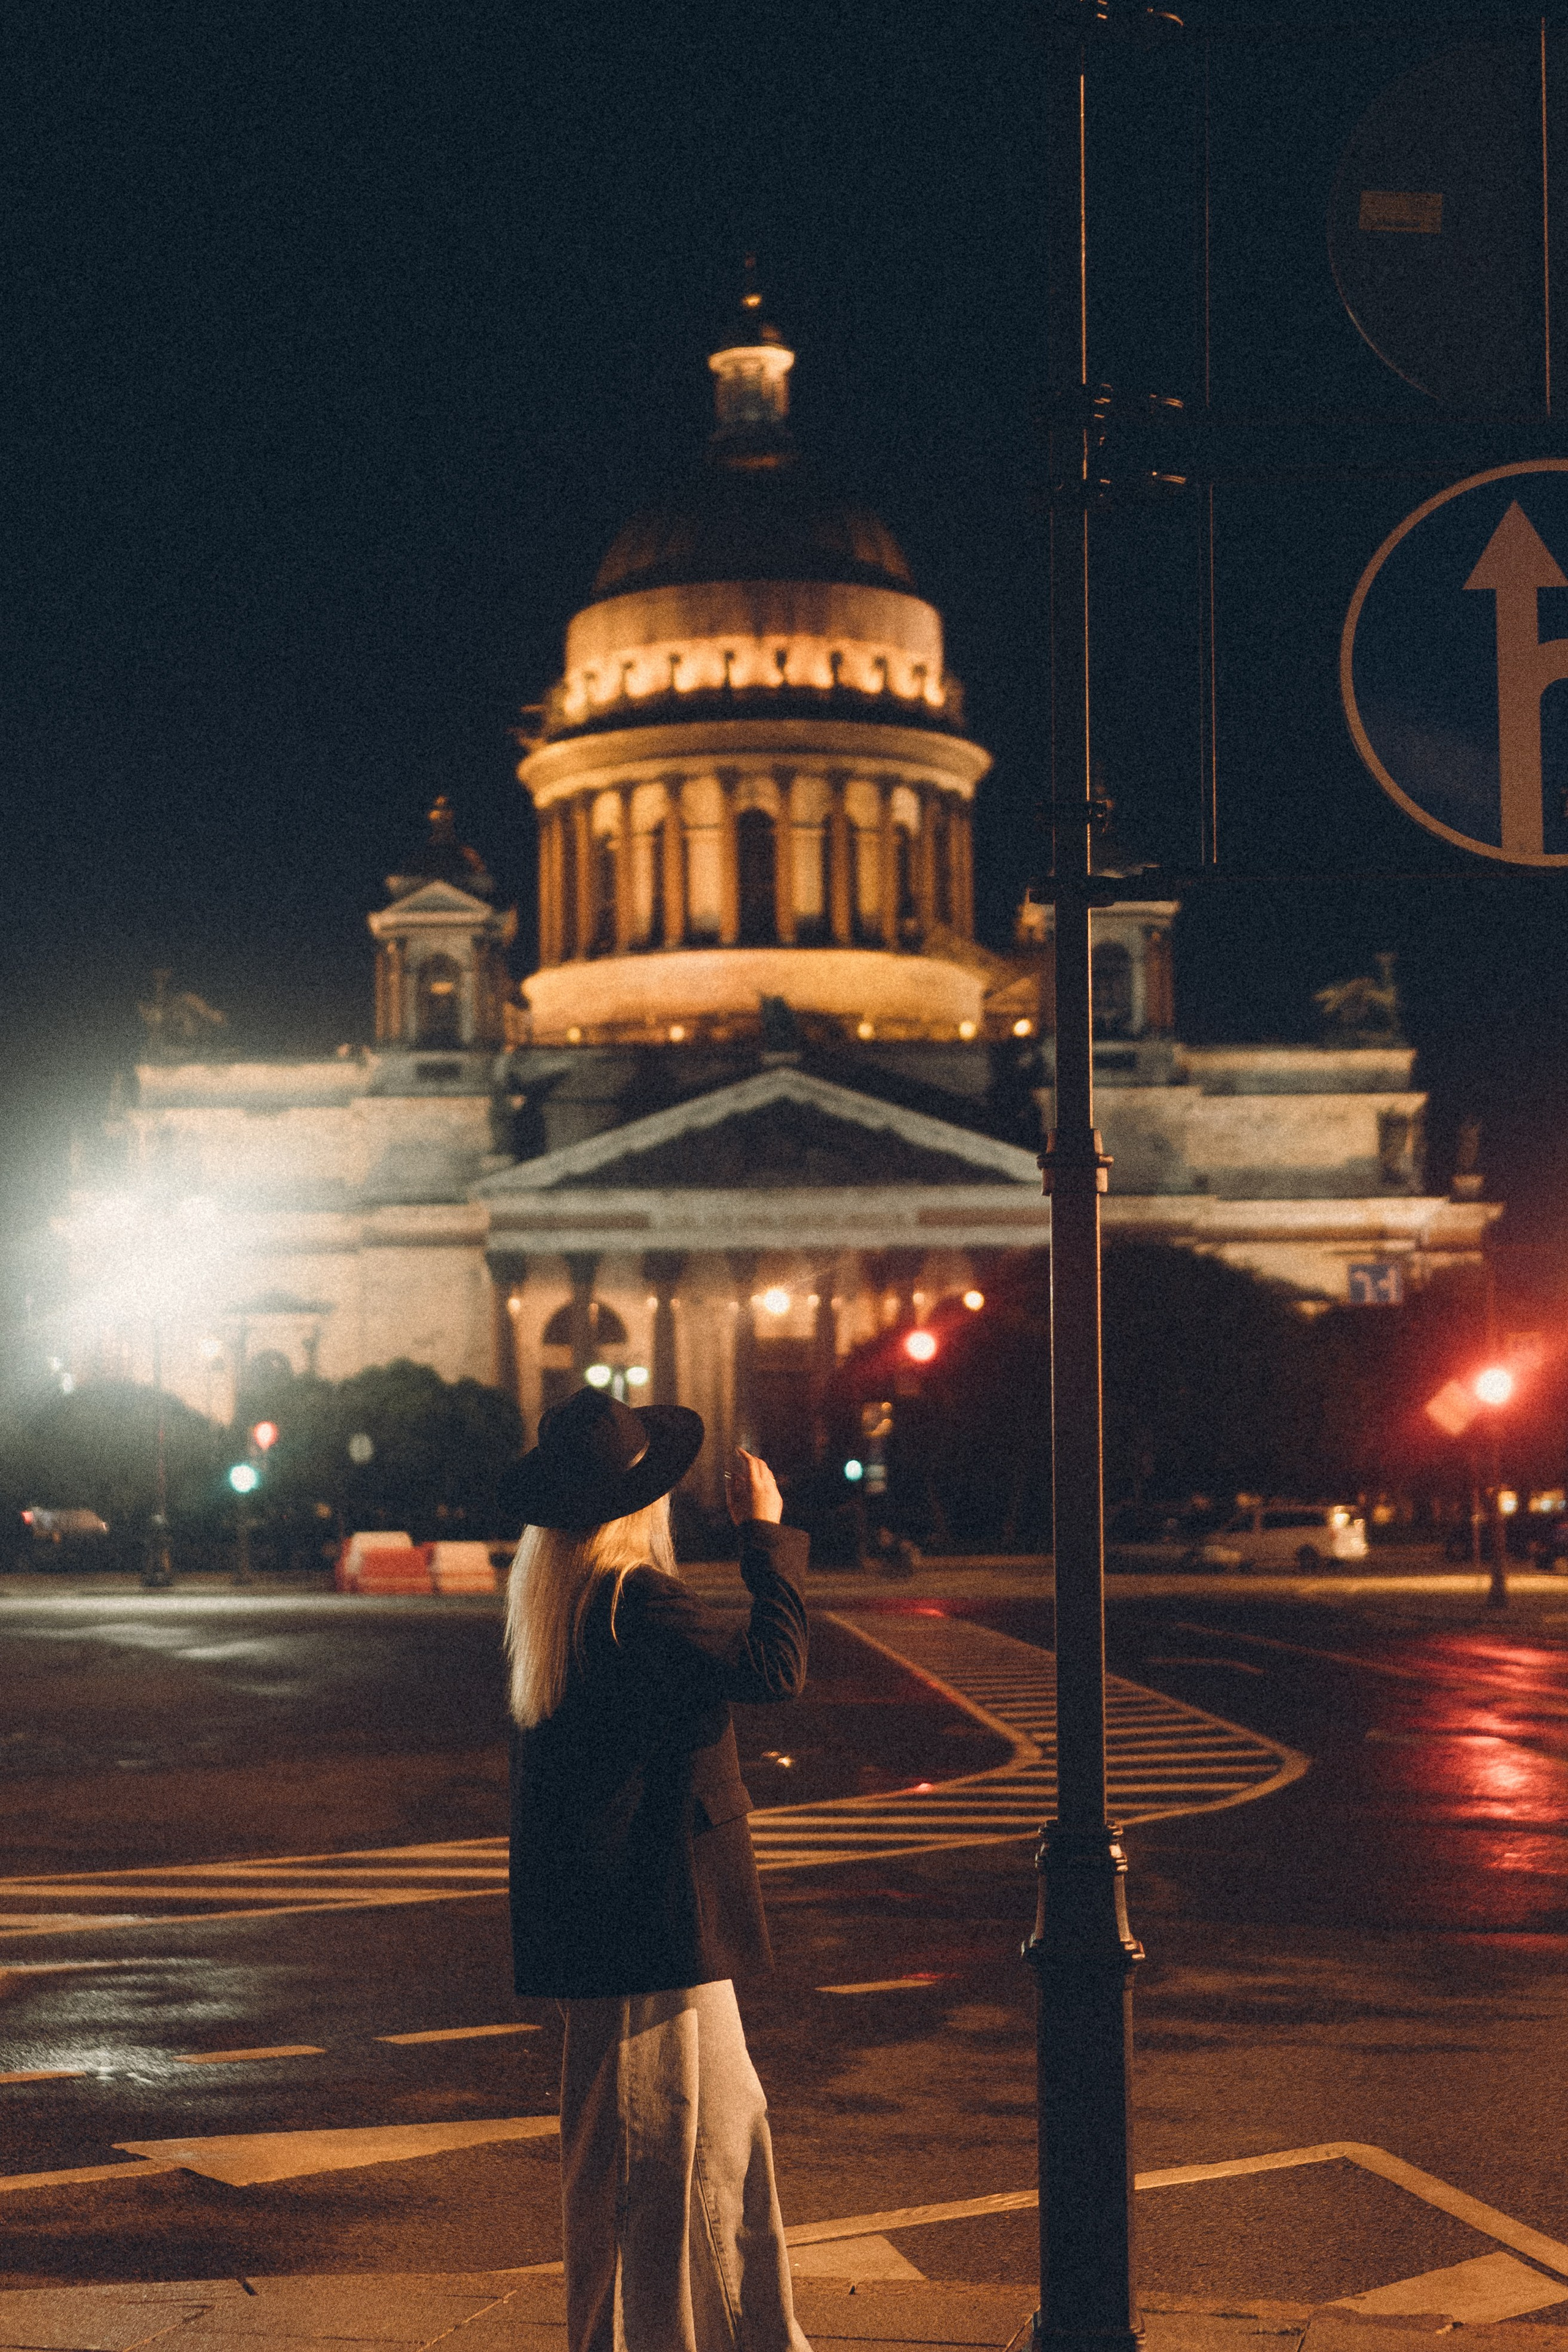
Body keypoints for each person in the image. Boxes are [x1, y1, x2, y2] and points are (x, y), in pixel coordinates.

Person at [503, 1382, 813, 2352]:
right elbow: (774, 1670)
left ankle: (759, 2341)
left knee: (725, 2143)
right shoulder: (634, 1601)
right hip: (651, 1931)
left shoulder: (567, 1601)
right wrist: (766, 1534)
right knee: (648, 2165)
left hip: (647, 1929)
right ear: (636, 1505)